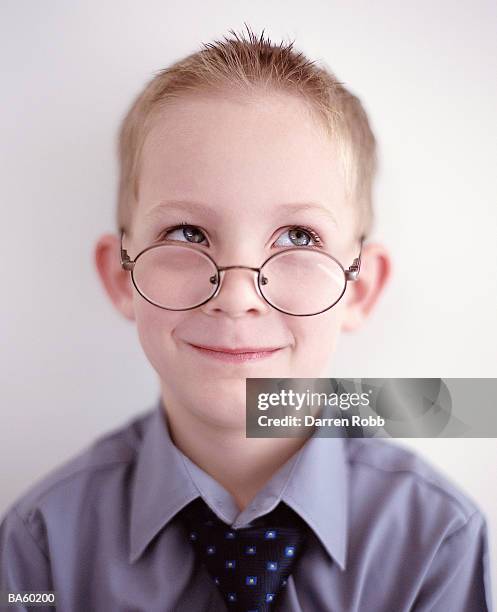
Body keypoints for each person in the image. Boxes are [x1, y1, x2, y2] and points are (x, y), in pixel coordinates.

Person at [0, 25, 492, 612]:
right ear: (120, 276)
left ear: (361, 289)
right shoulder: (43, 548)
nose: (236, 295)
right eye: (187, 232)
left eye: (298, 237)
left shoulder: (438, 544)